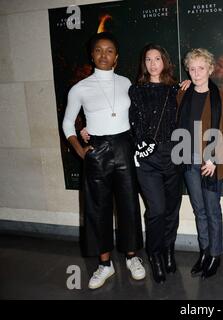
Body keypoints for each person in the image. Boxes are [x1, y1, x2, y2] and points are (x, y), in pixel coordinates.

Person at [62, 32, 146, 290]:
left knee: (128, 204)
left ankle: (132, 257)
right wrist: (81, 150)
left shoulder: (126, 82)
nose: (103, 55)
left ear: (116, 57)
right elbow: (67, 124)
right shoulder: (80, 88)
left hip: (123, 146)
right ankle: (104, 264)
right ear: (92, 55)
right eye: (99, 50)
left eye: (109, 50)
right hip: (96, 151)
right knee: (97, 208)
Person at [128, 44, 184, 284]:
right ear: (144, 63)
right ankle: (155, 255)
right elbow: (128, 121)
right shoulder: (135, 90)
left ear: (165, 61)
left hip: (173, 155)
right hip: (147, 158)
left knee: (172, 210)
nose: (152, 63)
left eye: (157, 58)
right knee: (157, 210)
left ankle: (169, 250)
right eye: (148, 59)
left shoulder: (176, 88)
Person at [176, 48, 223, 279]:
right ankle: (204, 251)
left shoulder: (222, 96)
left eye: (201, 68)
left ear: (210, 69)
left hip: (211, 163)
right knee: (199, 210)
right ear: (187, 70)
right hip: (188, 160)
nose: (197, 72)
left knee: (212, 211)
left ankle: (215, 255)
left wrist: (213, 158)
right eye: (192, 68)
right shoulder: (183, 94)